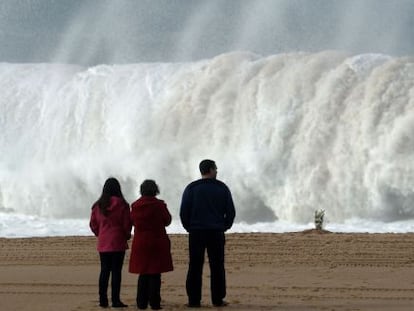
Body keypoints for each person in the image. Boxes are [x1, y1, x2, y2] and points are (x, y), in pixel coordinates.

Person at [180, 159, 236, 308]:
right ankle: (217, 299)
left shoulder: (191, 188)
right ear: (210, 170)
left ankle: (193, 300)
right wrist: (224, 226)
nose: (217, 171)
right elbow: (230, 211)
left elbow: (184, 212)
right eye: (215, 169)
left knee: (195, 266)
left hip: (196, 232)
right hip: (216, 231)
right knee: (217, 266)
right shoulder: (222, 188)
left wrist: (189, 227)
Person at [129, 179, 173, 310]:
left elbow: (131, 221)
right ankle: (155, 303)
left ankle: (141, 302)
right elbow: (167, 220)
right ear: (155, 190)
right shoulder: (159, 205)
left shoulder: (135, 206)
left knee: (143, 273)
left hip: (141, 242)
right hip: (157, 241)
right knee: (155, 273)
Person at [90, 177, 132, 308]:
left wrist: (100, 234)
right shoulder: (123, 205)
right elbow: (127, 224)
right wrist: (126, 235)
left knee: (104, 271)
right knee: (116, 272)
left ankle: (103, 300)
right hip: (118, 242)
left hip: (104, 243)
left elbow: (93, 224)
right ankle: (115, 300)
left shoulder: (98, 205)